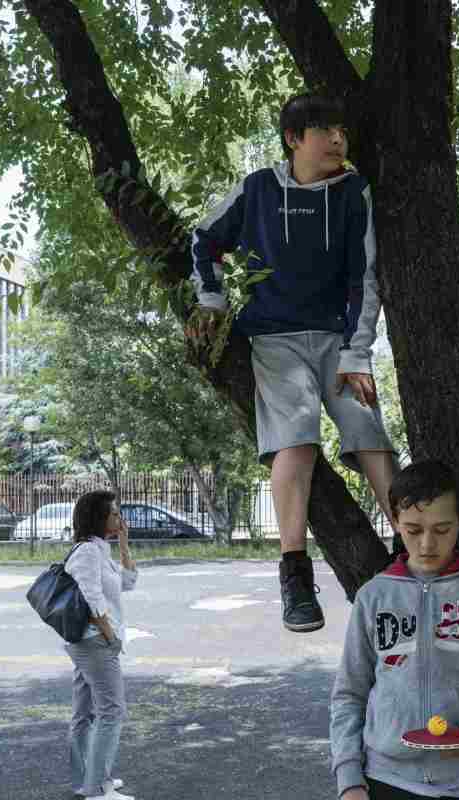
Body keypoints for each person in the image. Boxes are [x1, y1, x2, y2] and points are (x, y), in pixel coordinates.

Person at [188, 92, 398, 632]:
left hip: (337, 342)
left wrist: (356, 353)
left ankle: (409, 546)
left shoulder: (354, 193)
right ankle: (295, 576)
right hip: (274, 341)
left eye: (342, 132)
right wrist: (211, 301)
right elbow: (204, 239)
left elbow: (365, 277)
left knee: (367, 431)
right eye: (325, 130)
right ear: (293, 139)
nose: (338, 140)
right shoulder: (258, 188)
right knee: (297, 439)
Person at [331, 460, 459, 800]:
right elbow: (349, 695)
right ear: (395, 521)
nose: (427, 544)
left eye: (442, 530)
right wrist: (350, 780)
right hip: (385, 780)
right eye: (413, 530)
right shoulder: (374, 596)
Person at [64, 491, 138, 800]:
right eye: (114, 514)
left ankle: (88, 780)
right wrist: (111, 637)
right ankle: (96, 789)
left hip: (89, 642)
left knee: (84, 714)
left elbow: (128, 582)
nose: (119, 518)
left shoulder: (99, 550)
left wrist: (124, 543)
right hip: (94, 642)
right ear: (98, 517)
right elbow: (92, 598)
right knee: (112, 711)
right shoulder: (87, 552)